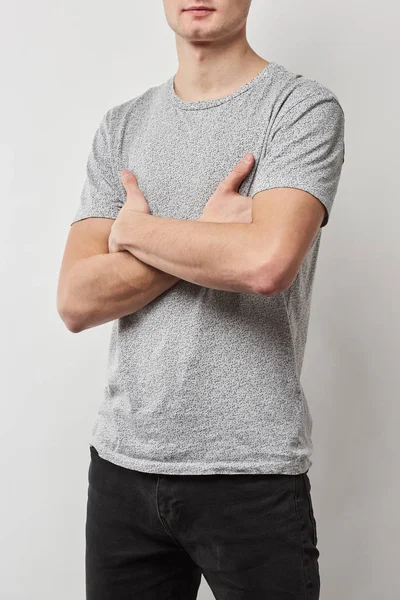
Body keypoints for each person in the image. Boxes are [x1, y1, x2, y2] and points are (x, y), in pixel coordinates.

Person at [57, 1, 345, 598]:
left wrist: (133, 232)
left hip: (251, 469)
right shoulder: (123, 125)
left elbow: (265, 263)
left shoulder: (298, 108)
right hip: (121, 467)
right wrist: (211, 231)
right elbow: (76, 300)